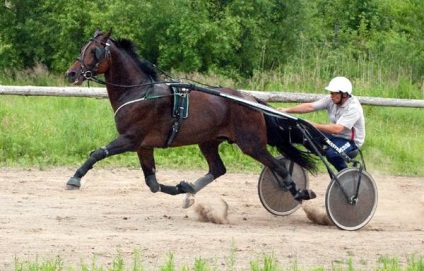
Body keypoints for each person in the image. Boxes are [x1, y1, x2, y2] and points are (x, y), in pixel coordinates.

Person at [278, 76, 365, 172]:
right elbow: (310, 107)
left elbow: (337, 129)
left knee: (332, 154)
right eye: (330, 92)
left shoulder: (353, 108)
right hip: (334, 136)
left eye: (334, 93)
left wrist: (313, 124)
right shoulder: (331, 100)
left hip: (350, 141)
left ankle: (346, 176)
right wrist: (287, 110)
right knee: (304, 133)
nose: (331, 95)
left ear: (344, 94)